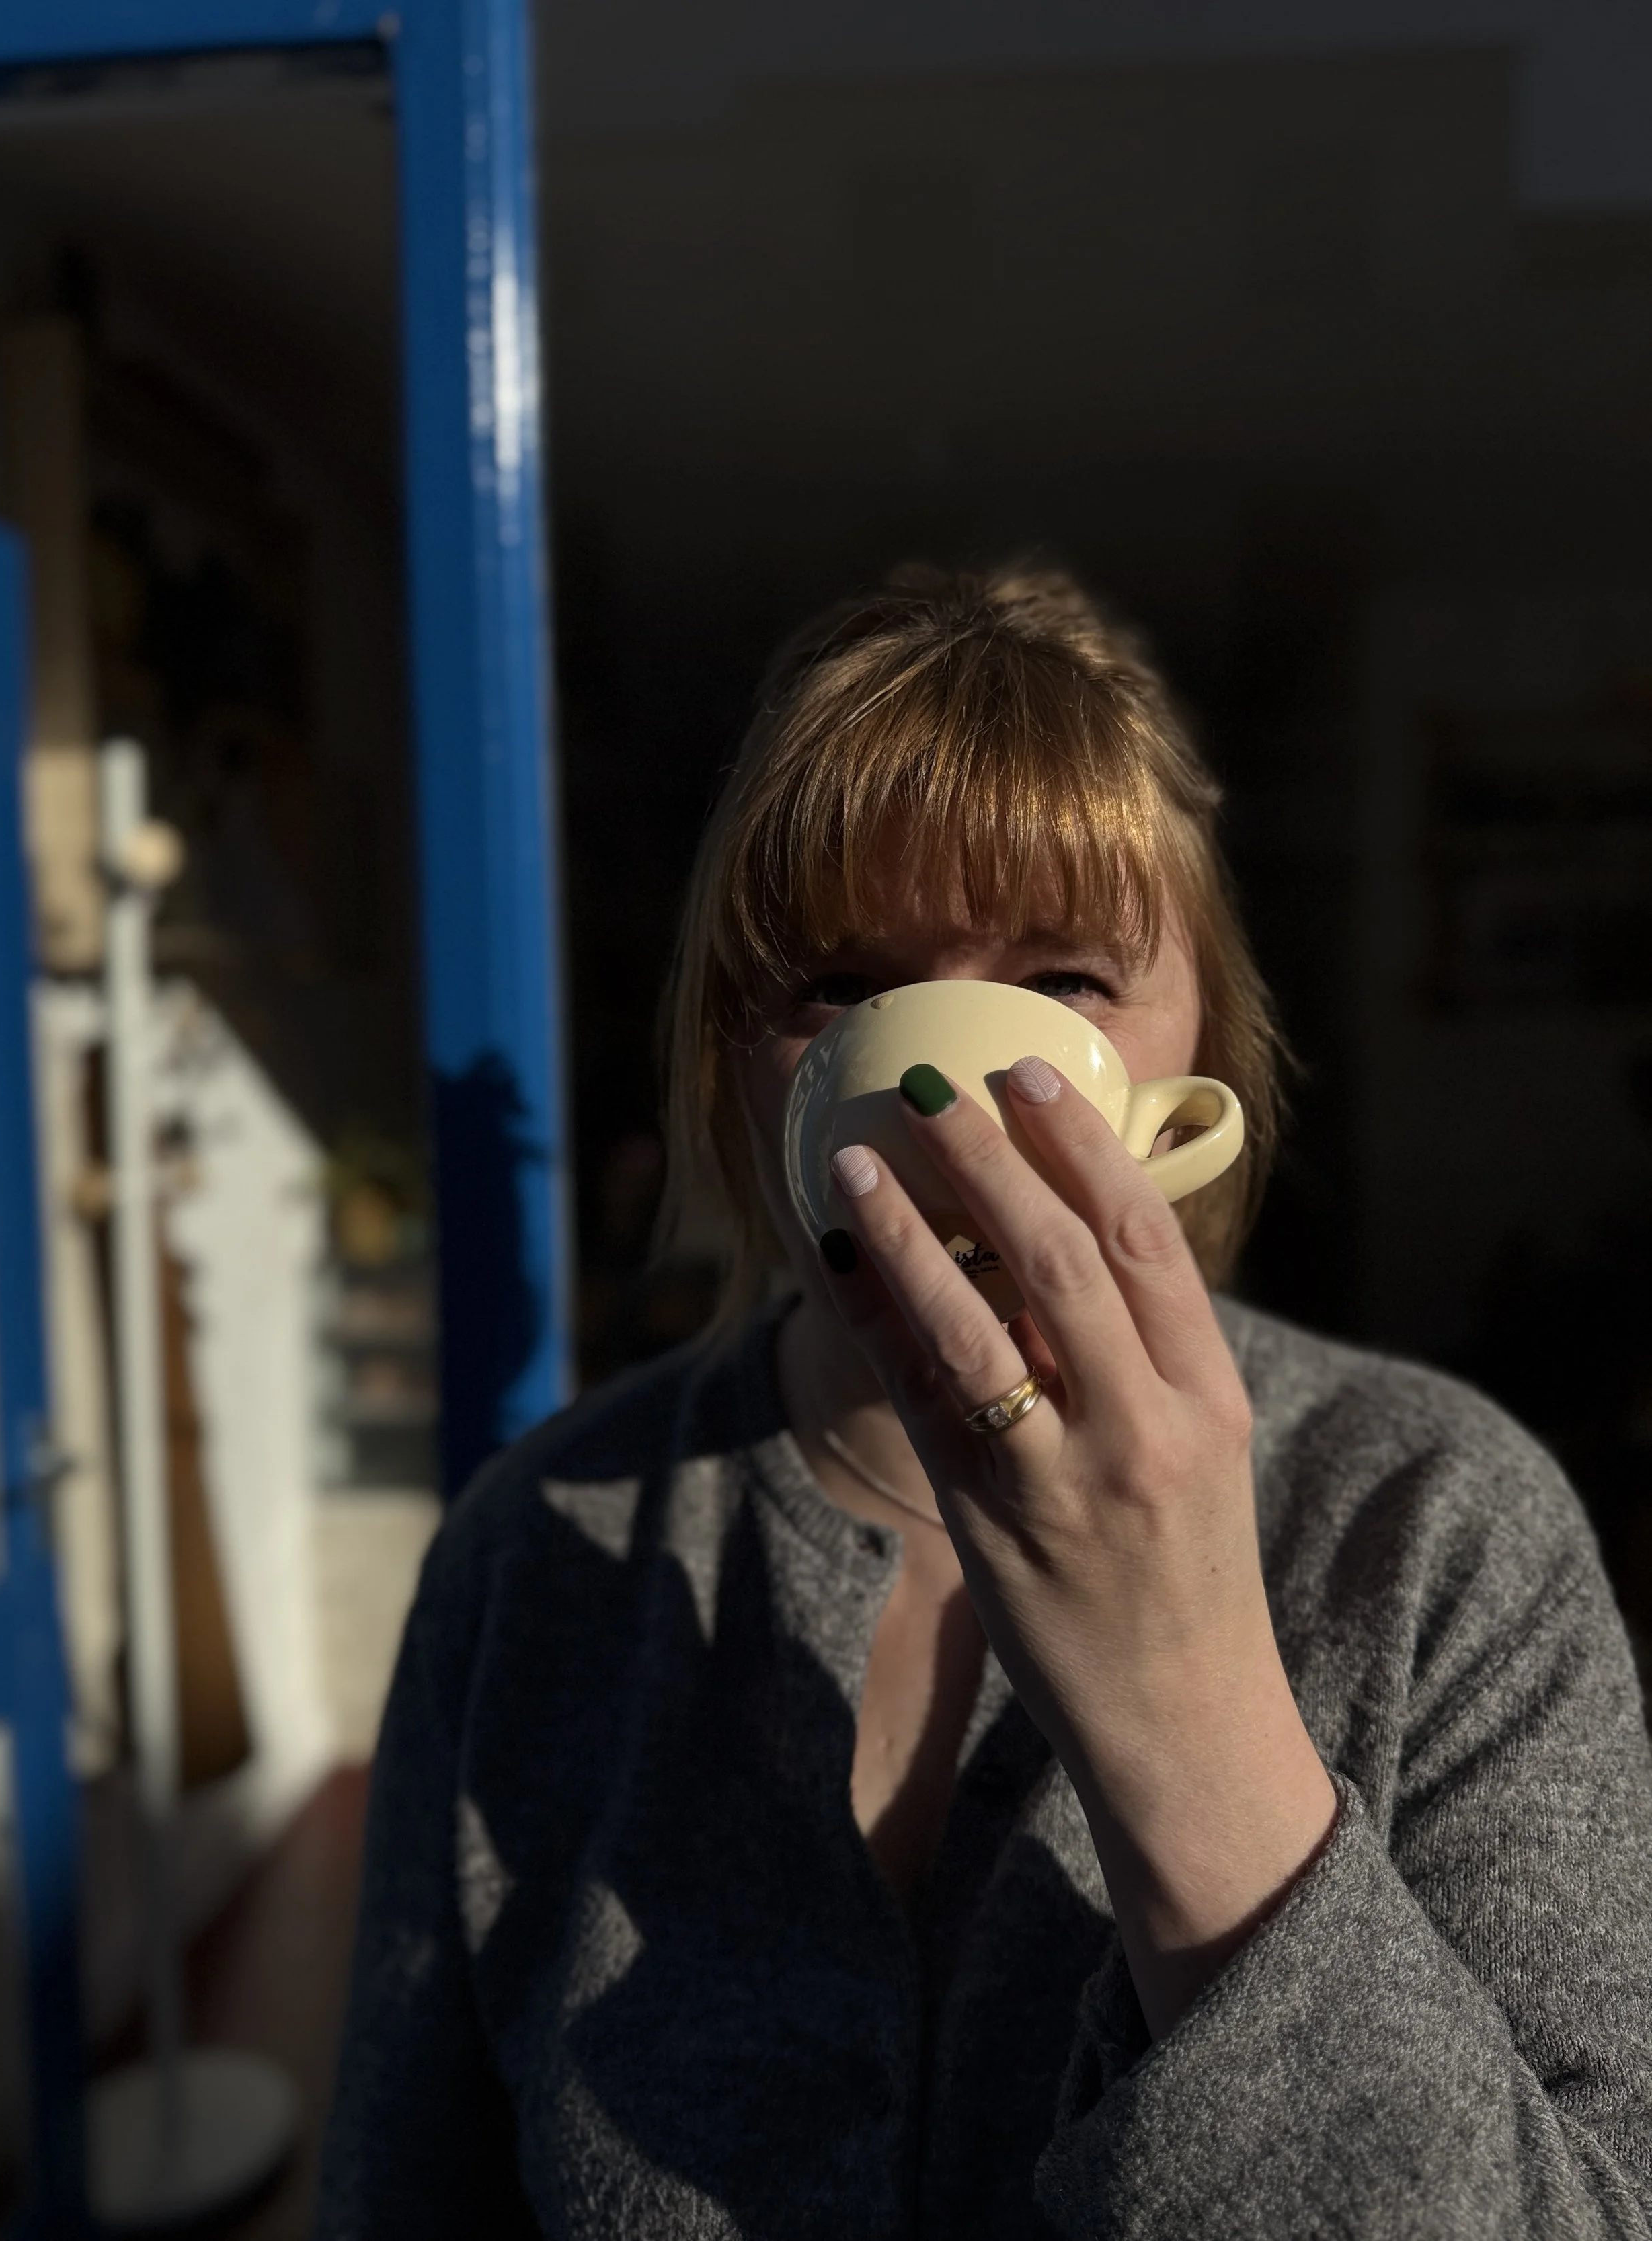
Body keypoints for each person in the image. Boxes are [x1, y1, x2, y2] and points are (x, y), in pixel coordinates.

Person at [316, 567, 1652, 2239]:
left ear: (1189, 1060)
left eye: (1069, 982)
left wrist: (1185, 1718)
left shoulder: (1439, 1525)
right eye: (841, 984)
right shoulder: (533, 1560)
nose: (948, 1081)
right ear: (739, 1058)